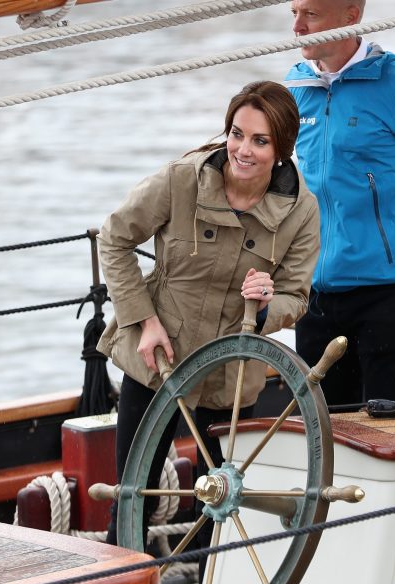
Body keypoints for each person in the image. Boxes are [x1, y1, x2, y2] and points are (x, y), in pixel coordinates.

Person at [96, 80, 320, 546]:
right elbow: (113, 239)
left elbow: (296, 299)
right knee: (131, 494)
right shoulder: (181, 179)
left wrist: (262, 309)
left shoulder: (303, 212)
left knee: (219, 506)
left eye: (260, 141)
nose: (243, 149)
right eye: (236, 133)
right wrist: (143, 320)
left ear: (282, 149)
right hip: (159, 358)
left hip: (231, 374)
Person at [285, 0, 395, 407]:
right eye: (293, 13)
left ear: (350, 15)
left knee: (391, 437)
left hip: (390, 298)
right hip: (316, 300)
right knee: (324, 440)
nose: (298, 27)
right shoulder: (293, 90)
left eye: (311, 14)